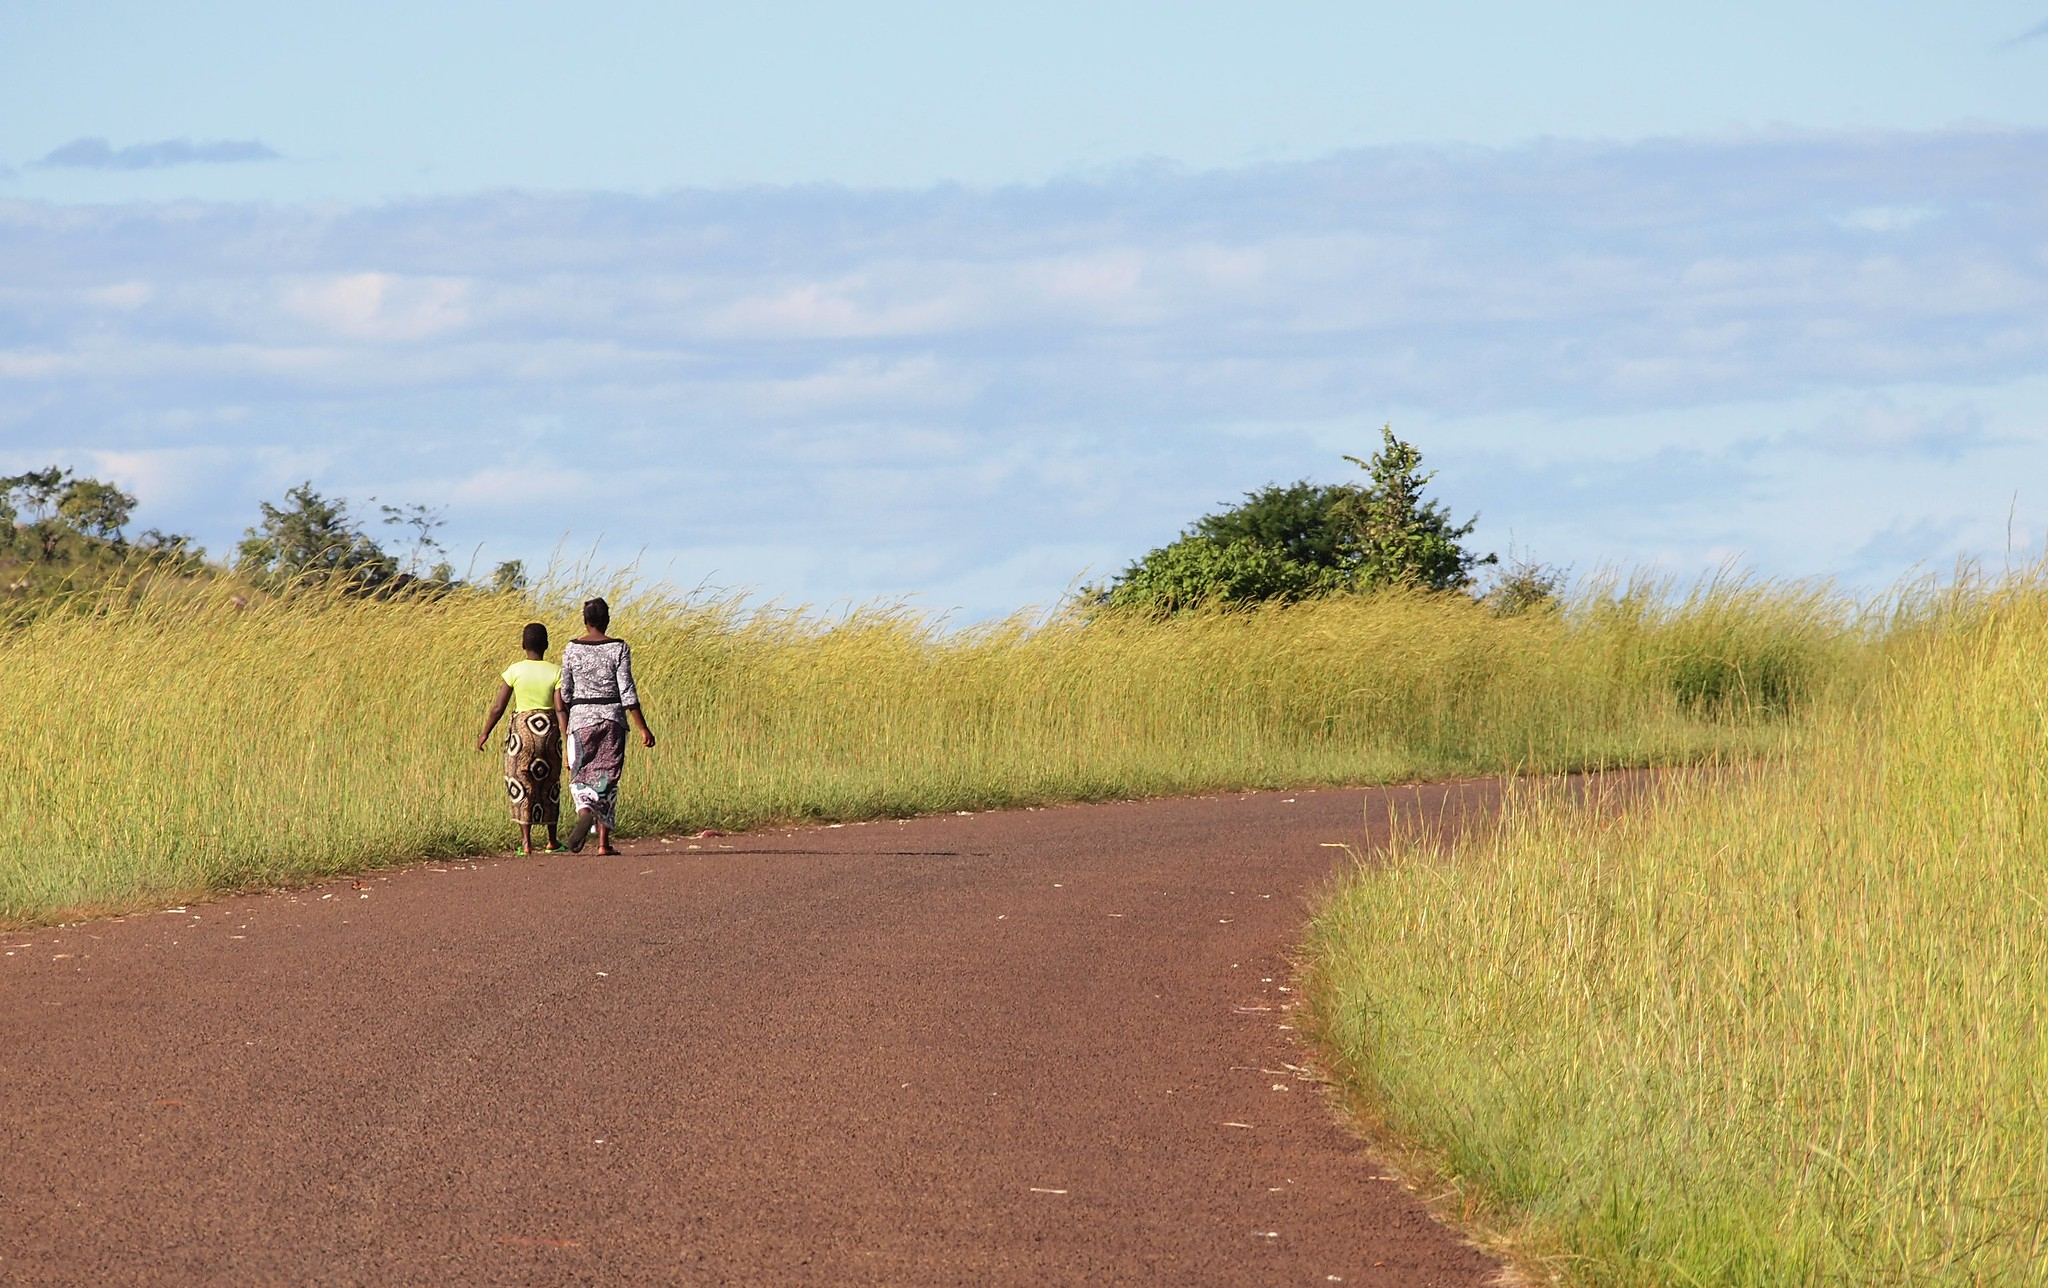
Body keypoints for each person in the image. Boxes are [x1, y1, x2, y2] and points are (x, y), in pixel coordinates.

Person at [557, 596, 655, 854]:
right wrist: (643, 727)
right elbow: (628, 692)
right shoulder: (619, 648)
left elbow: (564, 693)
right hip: (612, 718)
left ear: (585, 620)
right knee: (607, 777)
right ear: (607, 620)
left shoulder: (571, 649)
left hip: (580, 720)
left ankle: (584, 809)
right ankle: (603, 844)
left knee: (581, 773)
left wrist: (567, 723)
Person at [476, 621, 565, 855]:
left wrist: (485, 732)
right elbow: (560, 707)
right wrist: (565, 735)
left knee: (522, 782)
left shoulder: (514, 670)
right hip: (548, 732)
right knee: (550, 783)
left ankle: (526, 843)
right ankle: (552, 840)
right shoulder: (556, 671)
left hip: (522, 733)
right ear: (546, 645)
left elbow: (498, 707)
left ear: (522, 644)